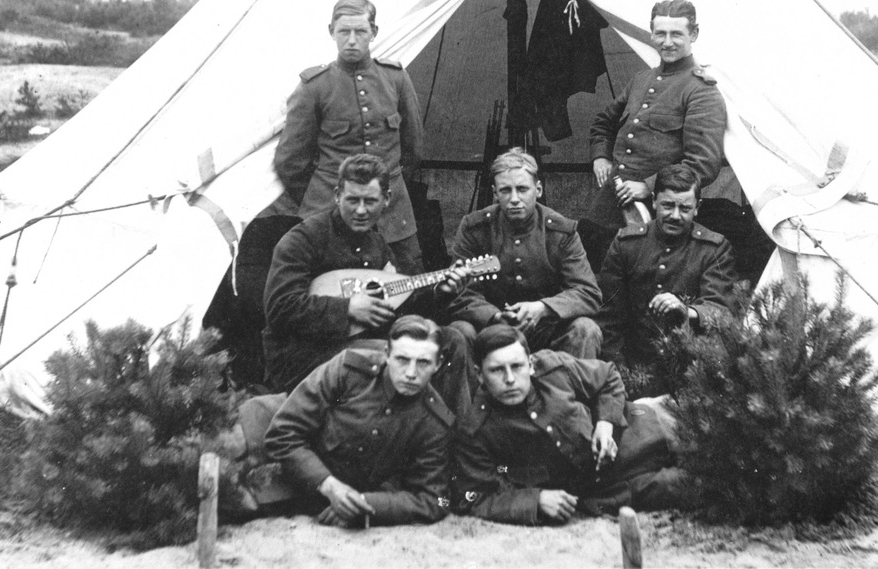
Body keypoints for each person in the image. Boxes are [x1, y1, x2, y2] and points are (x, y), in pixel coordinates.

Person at [262, 153, 472, 416]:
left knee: (452, 340)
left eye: (370, 201)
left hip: (362, 340)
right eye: (353, 200)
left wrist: (440, 292)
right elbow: (280, 308)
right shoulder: (304, 239)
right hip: (303, 354)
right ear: (337, 195)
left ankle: (459, 437)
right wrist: (348, 308)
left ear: (386, 200)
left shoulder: (378, 245)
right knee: (394, 357)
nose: (361, 211)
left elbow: (396, 308)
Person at [453, 324, 690, 525]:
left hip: (645, 427)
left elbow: (608, 377)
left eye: (517, 366)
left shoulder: (553, 368)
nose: (510, 379)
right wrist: (536, 500)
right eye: (496, 370)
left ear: (531, 364)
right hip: (616, 489)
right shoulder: (476, 431)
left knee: (711, 433)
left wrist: (605, 423)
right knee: (697, 485)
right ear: (479, 375)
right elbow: (473, 497)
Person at [273, 0, 425, 274]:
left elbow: (413, 148)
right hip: (329, 211)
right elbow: (290, 162)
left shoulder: (395, 78)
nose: (352, 40)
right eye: (344, 32)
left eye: (360, 32)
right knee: (326, 290)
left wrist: (386, 188)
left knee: (408, 288)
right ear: (331, 32)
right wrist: (330, 193)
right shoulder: (314, 86)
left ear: (374, 32)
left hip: (392, 216)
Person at [259, 315, 454, 527]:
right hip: (280, 465)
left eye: (423, 363)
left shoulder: (435, 420)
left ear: (438, 364)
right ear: (387, 354)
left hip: (335, 503)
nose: (410, 373)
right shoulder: (349, 370)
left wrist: (363, 505)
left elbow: (434, 500)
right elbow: (283, 432)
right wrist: (331, 487)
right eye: (402, 359)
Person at [588, 0, 727, 235]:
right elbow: (603, 124)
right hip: (607, 206)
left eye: (676, 34)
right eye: (660, 34)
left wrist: (649, 186)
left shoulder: (701, 91)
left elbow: (703, 163)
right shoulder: (641, 80)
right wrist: (600, 157)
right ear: (651, 35)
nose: (668, 42)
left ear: (693, 35)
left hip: (658, 216)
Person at [448, 147, 602, 359]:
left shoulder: (560, 231)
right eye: (505, 190)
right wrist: (493, 316)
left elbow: (588, 292)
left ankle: (571, 390)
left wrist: (543, 308)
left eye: (522, 189)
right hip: (491, 330)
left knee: (585, 329)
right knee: (459, 331)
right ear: (494, 193)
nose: (514, 199)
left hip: (545, 330)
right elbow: (461, 292)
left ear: (538, 189)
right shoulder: (475, 228)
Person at [596, 164, 739, 373]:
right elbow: (609, 318)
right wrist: (618, 374)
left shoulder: (714, 249)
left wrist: (687, 311)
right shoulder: (626, 244)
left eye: (685, 208)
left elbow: (722, 310)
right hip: (636, 366)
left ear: (698, 207)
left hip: (693, 367)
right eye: (668, 205)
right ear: (654, 201)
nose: (675, 215)